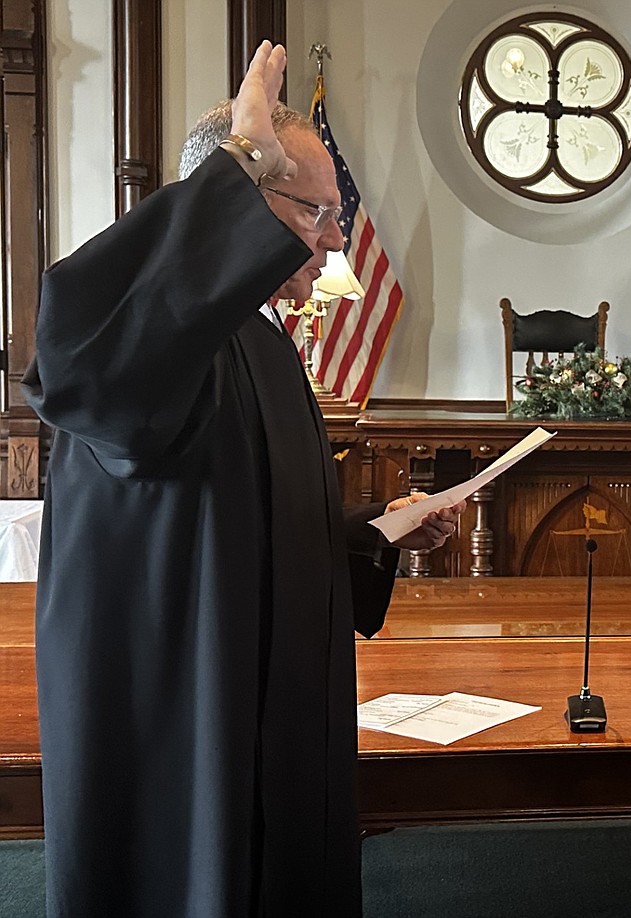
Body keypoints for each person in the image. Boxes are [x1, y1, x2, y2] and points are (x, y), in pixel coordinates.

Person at [24, 42, 463, 918]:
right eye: (318, 213)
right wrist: (241, 160)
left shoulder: (259, 344)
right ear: (236, 202)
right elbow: (83, 371)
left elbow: (249, 535)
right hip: (178, 731)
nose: (338, 240)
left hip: (260, 721)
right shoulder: (161, 339)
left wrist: (377, 532)